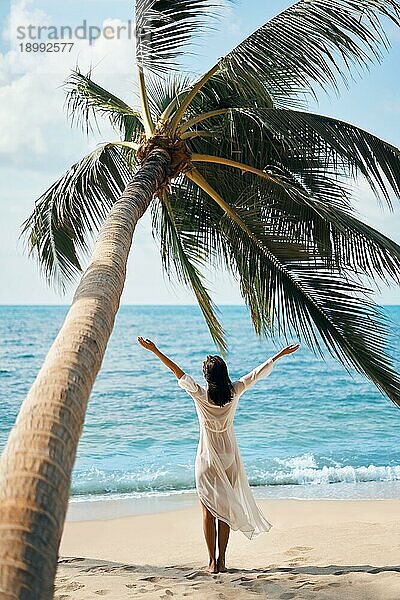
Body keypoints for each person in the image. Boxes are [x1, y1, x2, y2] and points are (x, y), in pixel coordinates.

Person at [137, 336, 300, 573]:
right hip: (229, 458)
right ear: (224, 374)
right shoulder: (234, 391)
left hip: (207, 458)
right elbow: (256, 373)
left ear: (207, 377)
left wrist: (155, 349)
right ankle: (222, 561)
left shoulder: (200, 394)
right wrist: (279, 355)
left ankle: (211, 562)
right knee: (225, 510)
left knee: (207, 510)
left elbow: (177, 371)